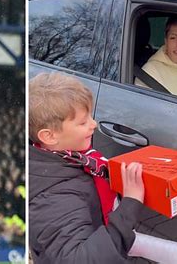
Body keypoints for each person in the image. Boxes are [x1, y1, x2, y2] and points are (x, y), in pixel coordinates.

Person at [29, 73, 145, 263]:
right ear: (49, 136)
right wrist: (130, 205)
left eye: (90, 116)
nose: (94, 124)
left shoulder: (74, 157)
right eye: (83, 122)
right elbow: (80, 258)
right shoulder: (52, 197)